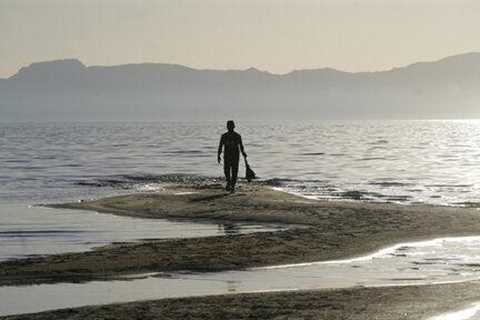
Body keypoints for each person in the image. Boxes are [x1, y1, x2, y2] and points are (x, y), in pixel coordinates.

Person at [217, 120, 247, 193]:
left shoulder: (237, 136)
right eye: (229, 126)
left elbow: (241, 146)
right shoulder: (224, 136)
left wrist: (243, 153)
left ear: (234, 126)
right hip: (227, 156)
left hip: (235, 156)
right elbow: (220, 146)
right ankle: (229, 182)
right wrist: (218, 155)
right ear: (227, 127)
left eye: (231, 126)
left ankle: (232, 185)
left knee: (234, 171)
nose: (230, 127)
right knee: (227, 170)